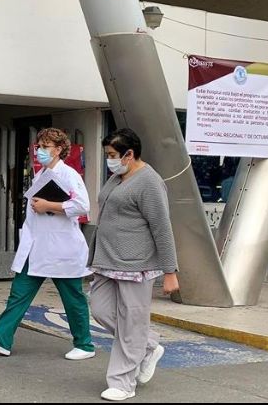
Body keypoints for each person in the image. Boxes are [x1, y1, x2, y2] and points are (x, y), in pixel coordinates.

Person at [0, 128, 95, 361]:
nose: (39, 151)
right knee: (18, 294)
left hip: (62, 249)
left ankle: (85, 344)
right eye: (38, 146)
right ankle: (1, 339)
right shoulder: (40, 175)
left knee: (73, 298)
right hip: (37, 247)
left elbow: (83, 206)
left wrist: (50, 205)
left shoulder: (69, 175)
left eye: (45, 147)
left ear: (59, 150)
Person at [89, 128, 180, 402]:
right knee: (100, 310)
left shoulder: (150, 182)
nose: (109, 160)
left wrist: (170, 272)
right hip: (106, 260)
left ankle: (122, 383)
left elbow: (162, 228)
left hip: (135, 263)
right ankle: (149, 345)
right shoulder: (117, 177)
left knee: (132, 323)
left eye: (113, 155)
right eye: (108, 155)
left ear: (130, 154)